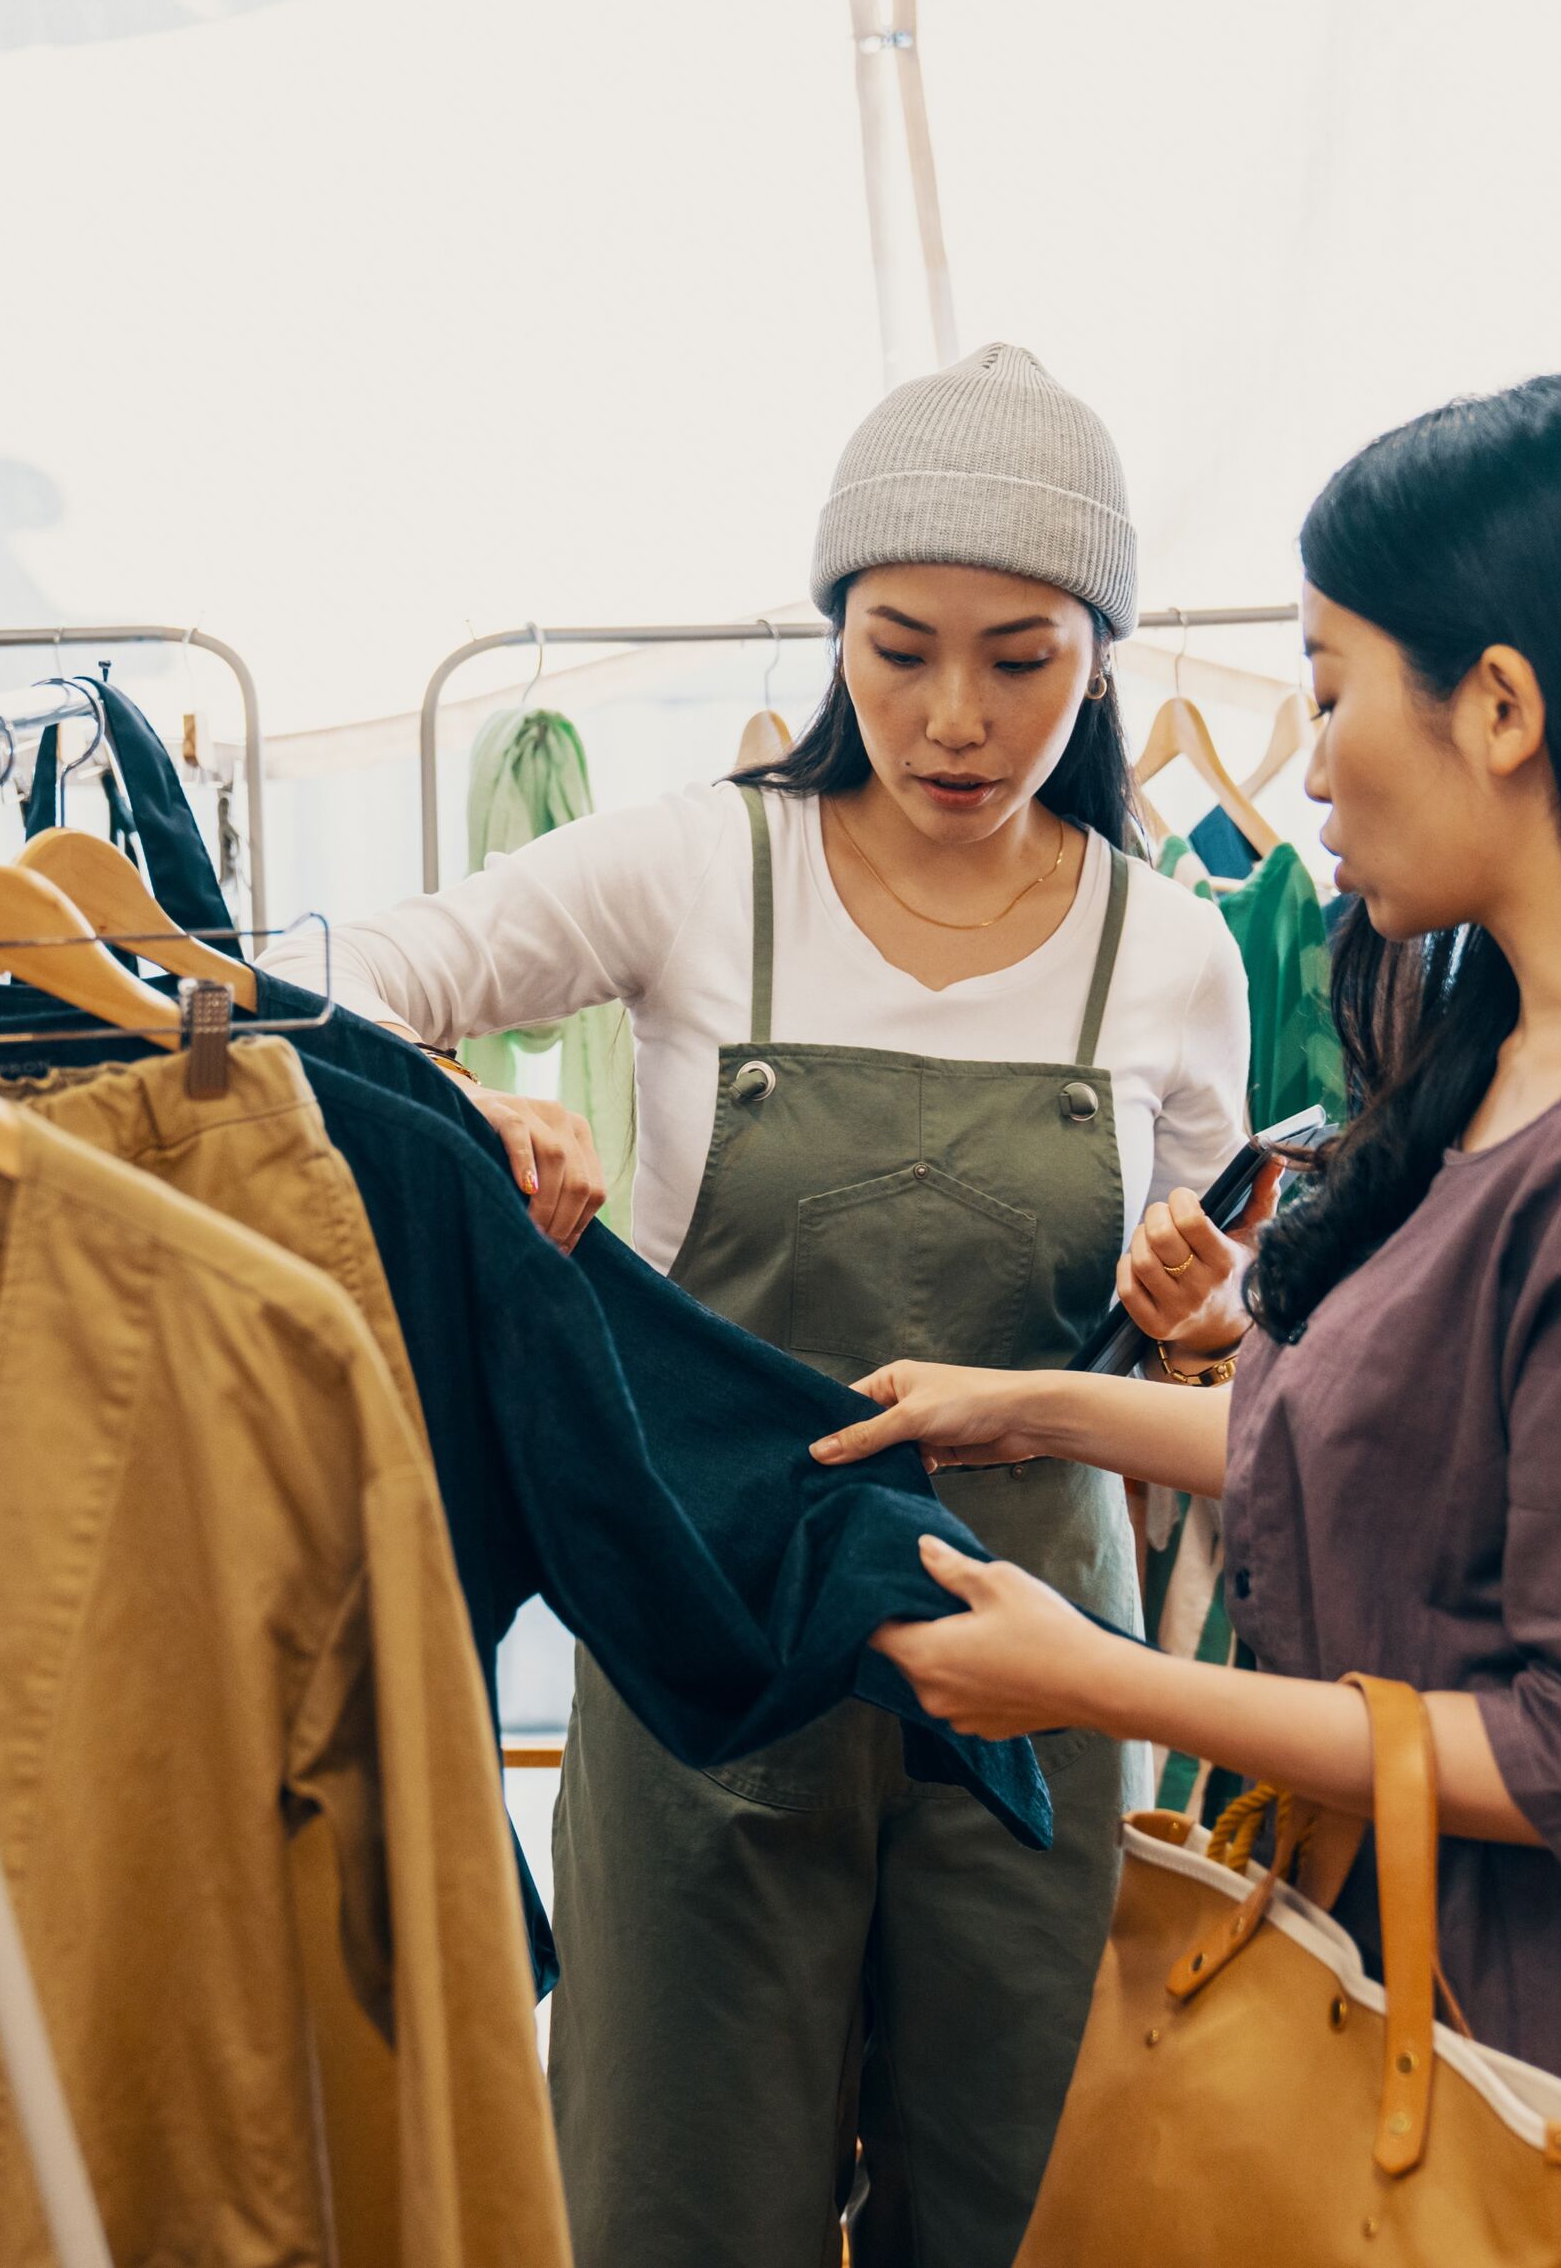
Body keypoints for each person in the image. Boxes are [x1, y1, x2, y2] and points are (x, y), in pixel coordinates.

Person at [819, 374, 1561, 2268]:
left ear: (1499, 705)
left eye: (1331, 686)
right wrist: (1037, 1411)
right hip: (1370, 1951)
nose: (1307, 762)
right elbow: (1387, 1454)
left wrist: (1091, 1678)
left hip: (1514, 2046)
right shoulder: (1521, 1055)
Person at [294, 344, 1256, 2268]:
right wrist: (478, 1110)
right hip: (708, 1647)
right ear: (833, 634)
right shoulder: (700, 862)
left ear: (1102, 656)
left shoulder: (1175, 948)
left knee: (1013, 2203)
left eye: (1022, 658)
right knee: (677, 2205)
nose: (958, 717)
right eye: (900, 649)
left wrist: (1201, 1312)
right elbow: (337, 990)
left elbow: (1201, 1336)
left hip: (1034, 1677)